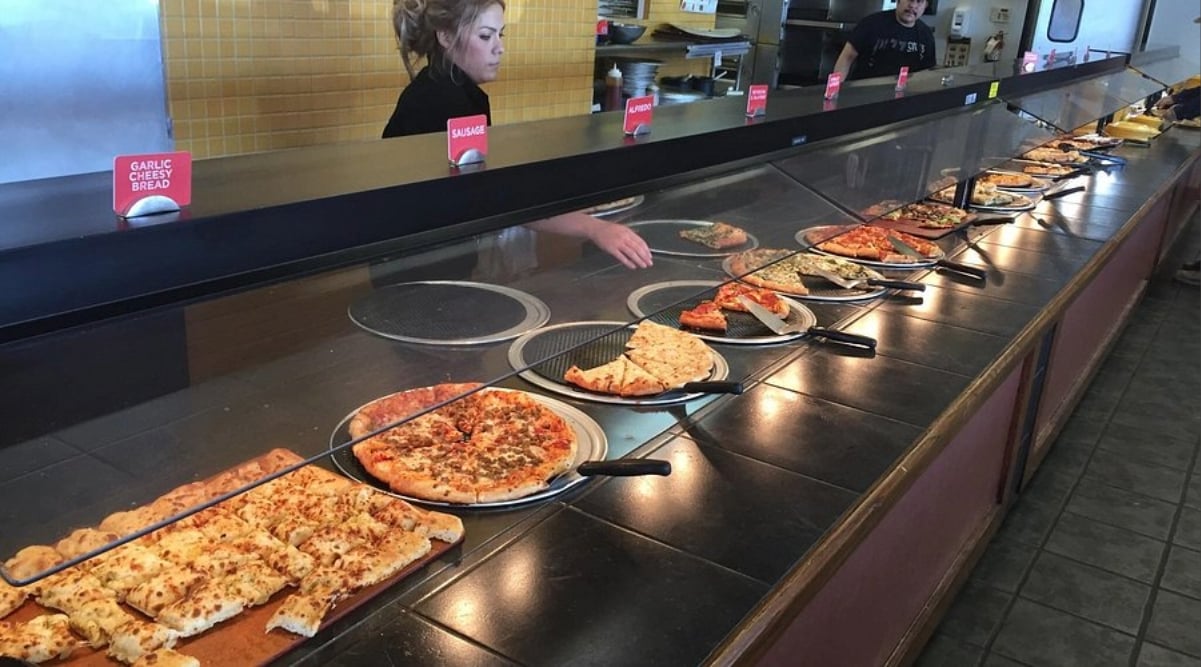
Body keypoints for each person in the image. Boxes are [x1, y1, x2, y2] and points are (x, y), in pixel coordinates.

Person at [382, 0, 652, 270]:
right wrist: (594, 229)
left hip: (427, 259)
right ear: (445, 37)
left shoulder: (449, 88)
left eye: (501, 35)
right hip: (417, 267)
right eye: (486, 36)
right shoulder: (443, 101)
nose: (499, 47)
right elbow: (495, 197)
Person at [833, 0, 937, 81]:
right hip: (863, 92)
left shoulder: (926, 35)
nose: (913, 6)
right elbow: (847, 57)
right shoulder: (871, 23)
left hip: (903, 98)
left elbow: (927, 72)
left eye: (919, 1)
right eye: (909, 0)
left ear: (925, 5)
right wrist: (835, 89)